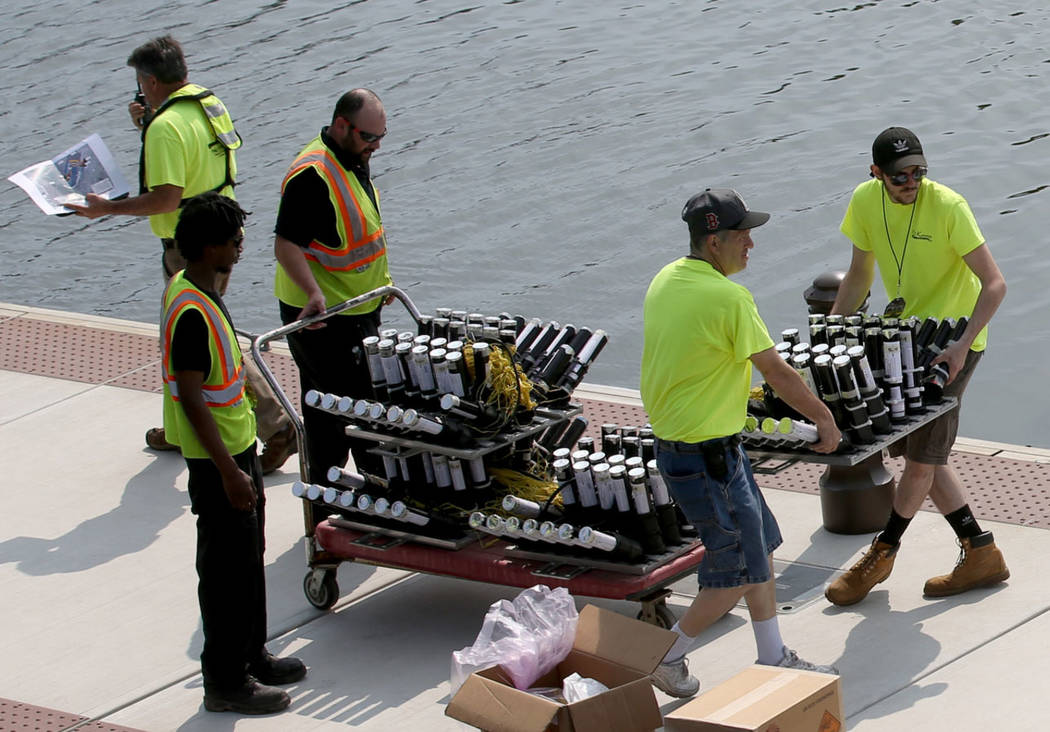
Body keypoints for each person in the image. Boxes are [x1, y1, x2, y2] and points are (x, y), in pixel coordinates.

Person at [640, 188, 842, 698]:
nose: (751, 243)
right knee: (730, 575)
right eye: (742, 235)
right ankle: (665, 657)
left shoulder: (666, 279)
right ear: (714, 242)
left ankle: (773, 655)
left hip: (698, 448)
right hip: (705, 455)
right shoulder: (730, 298)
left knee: (760, 550)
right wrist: (824, 419)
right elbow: (775, 371)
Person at [66, 35, 296, 473]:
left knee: (200, 339)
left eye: (140, 82)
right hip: (224, 233)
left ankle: (276, 425)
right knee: (209, 331)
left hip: (190, 249)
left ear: (150, 81)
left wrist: (105, 209)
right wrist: (149, 122)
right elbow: (199, 162)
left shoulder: (164, 128)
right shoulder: (209, 106)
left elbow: (166, 198)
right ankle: (182, 429)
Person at [824, 127, 1009, 606]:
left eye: (919, 172)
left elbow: (994, 285)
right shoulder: (865, 202)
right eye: (901, 176)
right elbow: (861, 274)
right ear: (876, 174)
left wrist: (964, 345)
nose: (912, 182)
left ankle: (880, 555)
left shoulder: (948, 206)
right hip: (903, 339)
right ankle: (981, 551)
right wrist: (830, 337)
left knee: (922, 460)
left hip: (955, 343)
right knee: (923, 454)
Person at [160, 192, 306, 714]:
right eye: (232, 240)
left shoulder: (201, 288)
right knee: (224, 573)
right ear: (206, 248)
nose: (242, 247)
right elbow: (193, 397)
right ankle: (225, 682)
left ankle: (252, 654)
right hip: (218, 461)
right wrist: (228, 472)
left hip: (239, 449)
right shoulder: (193, 311)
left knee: (248, 561)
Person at [273, 88, 393, 484]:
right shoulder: (313, 174)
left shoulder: (351, 156)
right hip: (321, 319)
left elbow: (358, 234)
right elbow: (286, 243)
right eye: (368, 138)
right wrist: (312, 293)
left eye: (381, 138)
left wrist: (382, 284)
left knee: (329, 414)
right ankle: (366, 510)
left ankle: (327, 510)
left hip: (357, 309)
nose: (375, 146)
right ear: (342, 125)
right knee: (360, 417)